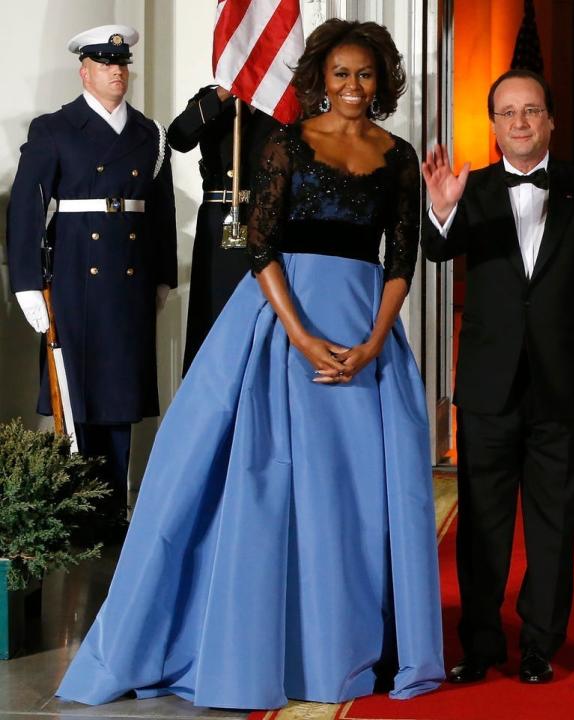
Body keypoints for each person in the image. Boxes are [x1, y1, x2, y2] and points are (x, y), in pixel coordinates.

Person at [55, 18, 443, 709]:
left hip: (366, 339)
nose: (353, 86)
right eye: (341, 74)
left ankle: (353, 647)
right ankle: (267, 644)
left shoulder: (401, 156)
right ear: (321, 79)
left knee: (358, 502)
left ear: (382, 80)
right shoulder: (287, 145)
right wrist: (297, 335)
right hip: (281, 331)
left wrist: (378, 340)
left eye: (366, 74)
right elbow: (261, 245)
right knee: (266, 493)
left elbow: (401, 258)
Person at [421, 69, 574, 685]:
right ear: (494, 123)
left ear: (551, 119)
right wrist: (442, 210)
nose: (521, 122)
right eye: (508, 113)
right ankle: (480, 645)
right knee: (481, 520)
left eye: (532, 111)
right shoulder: (467, 188)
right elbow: (435, 249)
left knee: (555, 521)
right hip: (488, 384)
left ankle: (539, 645)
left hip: (564, 383)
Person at [5, 25, 177, 527]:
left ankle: (110, 511)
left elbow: (160, 209)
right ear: (85, 71)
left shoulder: (150, 133)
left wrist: (162, 275)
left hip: (130, 279)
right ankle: (74, 510)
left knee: (120, 397)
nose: (116, 72)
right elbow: (25, 208)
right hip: (76, 270)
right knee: (76, 395)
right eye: (105, 64)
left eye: (121, 64)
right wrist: (26, 283)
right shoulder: (54, 128)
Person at [168, 86, 280, 374]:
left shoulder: (282, 96)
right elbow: (178, 137)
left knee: (266, 313)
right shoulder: (213, 98)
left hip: (271, 221)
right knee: (214, 315)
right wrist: (222, 95)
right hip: (221, 222)